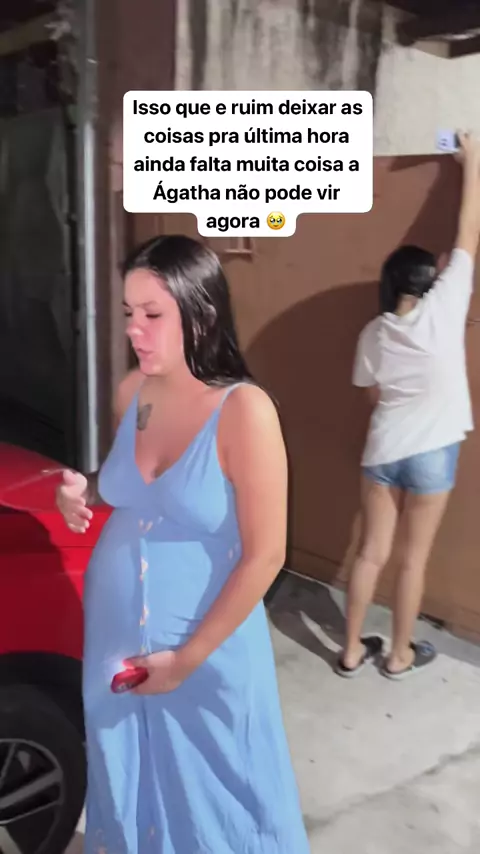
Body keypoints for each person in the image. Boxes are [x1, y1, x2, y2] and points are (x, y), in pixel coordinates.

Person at [56, 235, 310, 853]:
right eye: (128, 313)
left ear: (201, 315)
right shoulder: (134, 393)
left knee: (221, 802)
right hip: (116, 644)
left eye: (152, 314)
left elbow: (267, 554)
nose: (133, 330)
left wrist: (188, 659)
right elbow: (127, 486)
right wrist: (86, 490)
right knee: (128, 781)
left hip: (205, 651)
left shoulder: (244, 411)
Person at [337, 133, 480, 681]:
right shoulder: (446, 306)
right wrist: (472, 163)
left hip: (382, 451)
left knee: (370, 553)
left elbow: (371, 394)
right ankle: (399, 655)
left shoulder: (372, 333)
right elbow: (468, 232)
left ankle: (351, 651)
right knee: (412, 559)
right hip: (433, 453)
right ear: (431, 278)